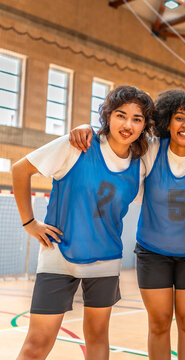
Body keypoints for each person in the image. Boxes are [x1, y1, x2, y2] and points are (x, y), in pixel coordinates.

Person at [12, 85, 153, 360]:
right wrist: (29, 223)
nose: (128, 124)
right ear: (108, 116)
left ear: (145, 125)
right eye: (121, 115)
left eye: (137, 119)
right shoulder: (78, 144)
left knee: (98, 338)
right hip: (58, 255)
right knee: (37, 343)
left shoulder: (141, 164)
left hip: (106, 259)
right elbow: (20, 169)